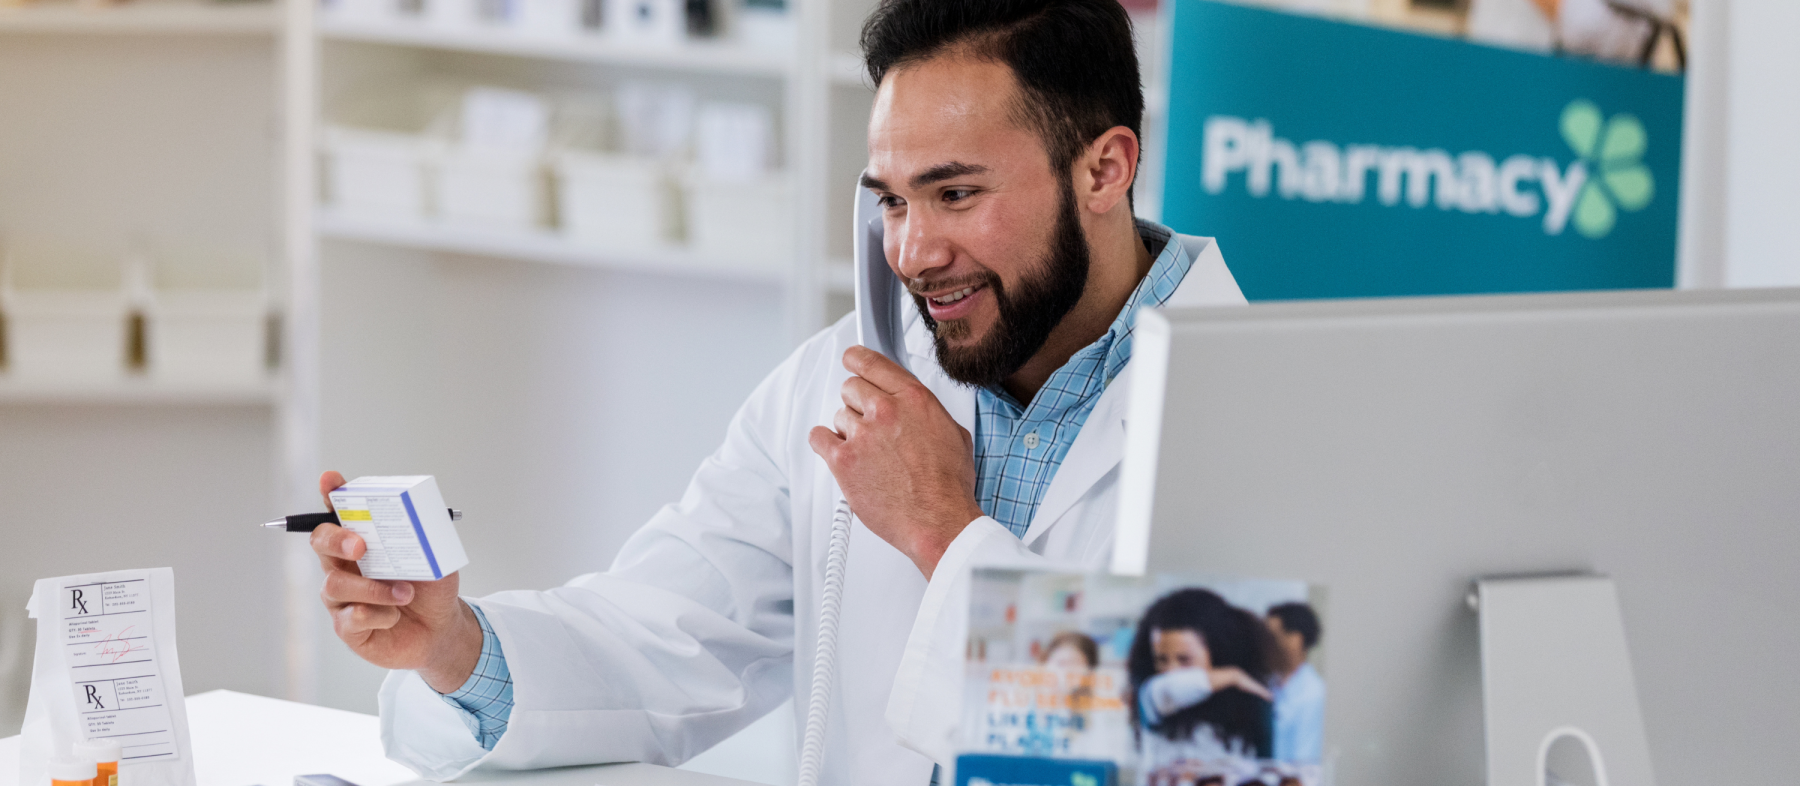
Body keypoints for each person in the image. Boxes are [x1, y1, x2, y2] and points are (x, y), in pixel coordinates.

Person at [306, 1, 1244, 783]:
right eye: (891, 200)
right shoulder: (836, 380)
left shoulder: (1278, 415)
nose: (912, 252)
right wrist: (453, 647)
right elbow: (670, 634)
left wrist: (940, 533)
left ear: (1103, 168)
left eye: (955, 194)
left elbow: (1217, 744)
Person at [1127, 589, 1275, 762]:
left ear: (1217, 653)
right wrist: (1233, 676)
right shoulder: (1151, 697)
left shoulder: (1248, 709)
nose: (1171, 671)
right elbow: (1168, 689)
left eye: (1184, 660)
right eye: (1161, 660)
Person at [1265, 602, 1325, 764]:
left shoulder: (1313, 694)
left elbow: (1303, 763)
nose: (1265, 644)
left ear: (1295, 640)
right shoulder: (1268, 682)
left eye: (1272, 637)